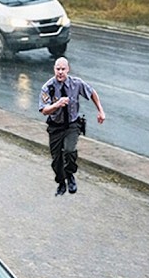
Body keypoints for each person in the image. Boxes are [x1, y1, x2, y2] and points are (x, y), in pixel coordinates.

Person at [38, 56, 105, 196]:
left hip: (72, 125)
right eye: (58, 69)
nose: (60, 72)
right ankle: (61, 182)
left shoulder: (76, 83)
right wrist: (57, 104)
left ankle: (70, 174)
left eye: (63, 69)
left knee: (69, 150)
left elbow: (92, 92)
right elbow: (44, 110)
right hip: (56, 126)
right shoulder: (48, 87)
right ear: (54, 69)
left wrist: (100, 110)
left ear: (68, 69)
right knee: (56, 161)